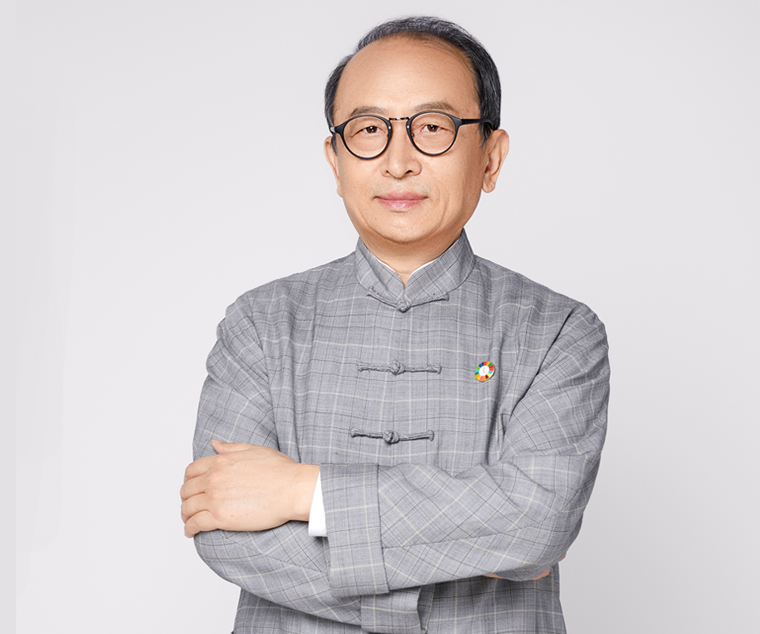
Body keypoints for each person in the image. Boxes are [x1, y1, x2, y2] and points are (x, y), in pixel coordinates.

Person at [180, 16, 610, 634]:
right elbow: (226, 534)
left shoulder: (559, 330)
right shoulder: (260, 324)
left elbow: (539, 521)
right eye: (369, 130)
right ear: (335, 161)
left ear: (490, 158)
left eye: (432, 127)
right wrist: (477, 561)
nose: (398, 162)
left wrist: (305, 492)